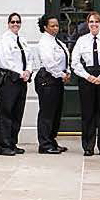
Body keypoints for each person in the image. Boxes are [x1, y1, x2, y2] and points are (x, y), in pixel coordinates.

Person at [71, 11, 100, 156]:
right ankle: (88, 147)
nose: (94, 24)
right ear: (87, 23)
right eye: (91, 22)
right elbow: (75, 62)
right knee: (88, 113)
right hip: (87, 78)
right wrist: (87, 76)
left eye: (97, 21)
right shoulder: (82, 40)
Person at [0, 11, 33, 156]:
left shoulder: (22, 39)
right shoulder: (5, 39)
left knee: (17, 113)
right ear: (8, 24)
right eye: (12, 22)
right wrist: (21, 72)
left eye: (17, 22)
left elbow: (29, 57)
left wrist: (28, 70)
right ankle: (3, 145)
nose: (15, 24)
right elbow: (6, 60)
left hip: (22, 80)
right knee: (6, 113)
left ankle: (12, 143)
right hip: (9, 79)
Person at [34, 11, 72, 154]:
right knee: (47, 112)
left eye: (57, 25)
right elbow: (49, 63)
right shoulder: (45, 42)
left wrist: (67, 71)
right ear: (45, 27)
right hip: (48, 78)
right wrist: (61, 74)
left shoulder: (57, 41)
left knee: (56, 112)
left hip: (57, 78)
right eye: (52, 26)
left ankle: (51, 140)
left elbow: (65, 58)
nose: (56, 28)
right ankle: (44, 144)